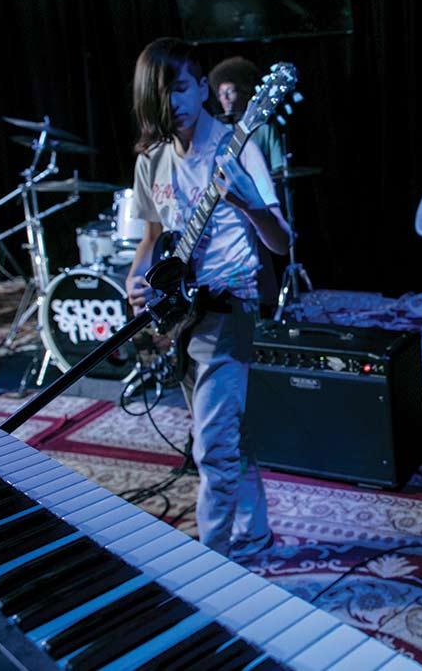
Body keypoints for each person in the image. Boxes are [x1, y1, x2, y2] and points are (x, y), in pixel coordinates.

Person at [125, 38, 290, 559]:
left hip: (229, 304)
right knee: (227, 436)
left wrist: (246, 203)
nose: (173, 102)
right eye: (161, 93)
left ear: (201, 88)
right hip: (183, 316)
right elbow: (151, 242)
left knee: (211, 446)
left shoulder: (235, 146)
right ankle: (257, 532)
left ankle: (211, 563)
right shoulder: (151, 163)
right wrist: (136, 281)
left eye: (181, 88)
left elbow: (283, 240)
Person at [208, 55, 290, 314]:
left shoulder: (263, 130)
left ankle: (267, 309)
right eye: (221, 94)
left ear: (244, 93)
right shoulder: (214, 134)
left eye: (230, 92)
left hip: (257, 203)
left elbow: (278, 171)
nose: (226, 99)